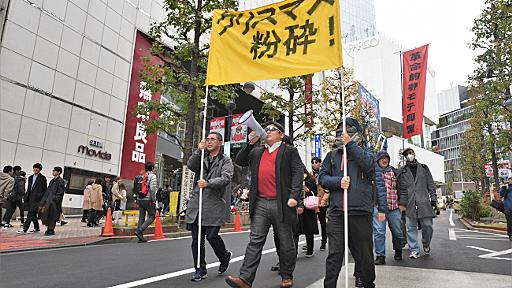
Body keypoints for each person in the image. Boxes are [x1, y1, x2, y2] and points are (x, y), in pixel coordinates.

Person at [225, 122, 303, 288]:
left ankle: (287, 275)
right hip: (260, 202)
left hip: (281, 203)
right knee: (255, 241)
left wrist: (295, 196)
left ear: (281, 135)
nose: (266, 132)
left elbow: (297, 174)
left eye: (271, 130)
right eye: (265, 129)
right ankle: (245, 279)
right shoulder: (258, 151)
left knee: (285, 242)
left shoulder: (290, 151)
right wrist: (250, 142)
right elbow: (240, 161)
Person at [319, 118, 377, 288]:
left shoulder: (366, 151)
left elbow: (371, 168)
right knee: (335, 253)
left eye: (348, 130)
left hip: (360, 211)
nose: (342, 133)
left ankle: (367, 282)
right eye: (340, 130)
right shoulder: (332, 156)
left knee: (363, 253)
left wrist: (351, 145)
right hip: (337, 211)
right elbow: (322, 178)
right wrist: (338, 182)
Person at [185, 131, 234, 281]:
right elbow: (191, 166)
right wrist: (198, 151)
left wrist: (208, 183)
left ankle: (224, 256)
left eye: (212, 139)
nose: (209, 142)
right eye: (207, 139)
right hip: (197, 204)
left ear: (220, 142)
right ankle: (200, 269)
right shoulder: (202, 157)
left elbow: (226, 178)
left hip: (213, 204)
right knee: (196, 240)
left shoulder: (226, 161)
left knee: (212, 236)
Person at [398, 147, 437, 259]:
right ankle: (414, 249)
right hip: (409, 203)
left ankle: (426, 243)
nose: (409, 156)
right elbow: (402, 189)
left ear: (414, 154)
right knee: (411, 227)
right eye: (406, 155)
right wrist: (402, 203)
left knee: (428, 226)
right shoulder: (403, 171)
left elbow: (430, 183)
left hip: (423, 202)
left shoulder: (424, 168)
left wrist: (433, 198)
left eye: (410, 153)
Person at [373, 150, 405, 265]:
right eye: (382, 158)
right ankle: (380, 255)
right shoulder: (373, 172)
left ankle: (398, 249)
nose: (384, 160)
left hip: (394, 207)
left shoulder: (394, 172)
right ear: (377, 160)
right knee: (379, 232)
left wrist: (402, 203)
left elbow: (402, 188)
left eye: (386, 158)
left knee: (397, 232)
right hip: (378, 207)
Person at [18, 163, 46, 234]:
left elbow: (44, 189)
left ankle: (24, 229)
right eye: (34, 168)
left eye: (37, 168)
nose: (35, 169)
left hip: (37, 199)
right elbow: (29, 188)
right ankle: (37, 228)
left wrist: (42, 199)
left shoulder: (42, 178)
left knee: (30, 213)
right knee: (33, 214)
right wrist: (26, 196)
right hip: (30, 198)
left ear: (40, 170)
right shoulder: (30, 177)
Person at [134, 162, 158, 243]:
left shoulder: (142, 176)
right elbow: (152, 189)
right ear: (152, 168)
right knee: (152, 215)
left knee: (142, 216)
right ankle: (140, 230)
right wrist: (153, 199)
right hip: (148, 199)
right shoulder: (152, 176)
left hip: (140, 198)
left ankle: (140, 236)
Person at [39, 167, 65, 236]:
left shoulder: (60, 181)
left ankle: (51, 230)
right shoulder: (52, 181)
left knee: (52, 216)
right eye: (53, 170)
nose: (53, 172)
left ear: (58, 172)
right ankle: (49, 228)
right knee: (47, 215)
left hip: (54, 203)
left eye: (54, 171)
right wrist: (44, 200)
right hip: (48, 201)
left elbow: (60, 193)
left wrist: (53, 199)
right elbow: (47, 191)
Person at [299, 168, 319, 257]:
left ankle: (310, 249)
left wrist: (308, 191)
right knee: (296, 229)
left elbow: (315, 192)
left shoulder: (310, 179)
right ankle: (293, 251)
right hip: (298, 206)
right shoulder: (295, 179)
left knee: (309, 229)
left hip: (308, 207)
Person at [311, 156, 328, 251]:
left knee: (322, 222)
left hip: (322, 201)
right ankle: (309, 244)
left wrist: (324, 200)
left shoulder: (324, 174)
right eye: (313, 162)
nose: (314, 164)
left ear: (320, 163)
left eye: (316, 162)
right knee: (310, 222)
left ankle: (324, 241)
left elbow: (327, 188)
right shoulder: (309, 174)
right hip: (312, 201)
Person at [499, 176, 512, 241]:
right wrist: (504, 187)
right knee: (510, 222)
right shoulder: (506, 187)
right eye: (510, 179)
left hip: (508, 208)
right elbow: (501, 195)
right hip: (508, 208)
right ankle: (510, 235)